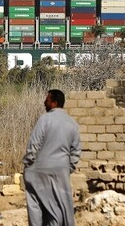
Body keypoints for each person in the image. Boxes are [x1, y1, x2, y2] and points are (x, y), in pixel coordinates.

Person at [22, 89, 81, 226]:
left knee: (35, 205)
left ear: (54, 103)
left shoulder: (45, 119)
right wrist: (67, 169)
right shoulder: (72, 123)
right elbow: (76, 151)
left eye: (47, 100)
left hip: (39, 170)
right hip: (61, 172)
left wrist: (27, 164)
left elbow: (34, 145)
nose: (44, 102)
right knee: (58, 206)